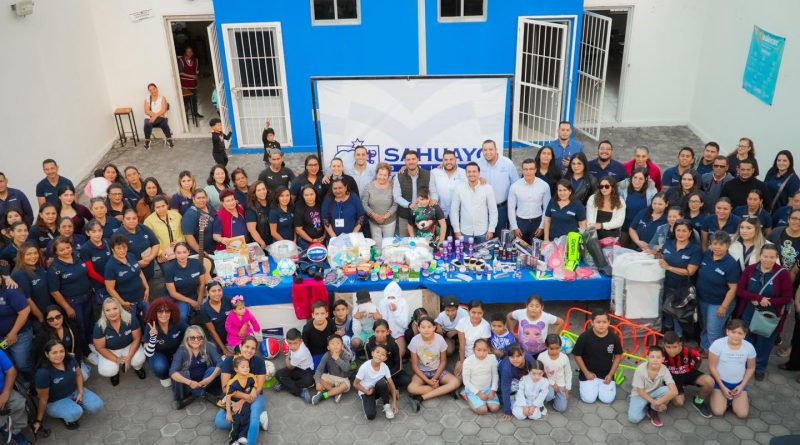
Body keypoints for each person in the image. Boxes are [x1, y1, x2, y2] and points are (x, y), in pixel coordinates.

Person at [736, 244, 793, 380]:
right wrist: (756, 298)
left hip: (768, 316)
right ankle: (745, 366)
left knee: (764, 344)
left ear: (777, 257)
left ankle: (760, 368)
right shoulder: (750, 269)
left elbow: (787, 297)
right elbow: (740, 291)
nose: (768, 260)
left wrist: (769, 302)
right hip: (749, 312)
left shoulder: (783, 274)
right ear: (760, 256)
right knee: (747, 341)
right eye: (765, 256)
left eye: (772, 257)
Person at [34, 339, 103, 430]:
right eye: (54, 352)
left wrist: (80, 392)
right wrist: (38, 420)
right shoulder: (42, 373)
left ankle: (74, 404)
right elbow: (43, 399)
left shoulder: (70, 359)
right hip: (56, 400)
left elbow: (78, 375)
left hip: (74, 391)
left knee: (97, 405)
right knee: (74, 413)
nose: (59, 355)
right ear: (47, 354)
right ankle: (66, 415)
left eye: (61, 351)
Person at [213, 336, 268, 445]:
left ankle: (251, 433)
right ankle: (260, 418)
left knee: (253, 418)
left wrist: (243, 401)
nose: (249, 350)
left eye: (253, 348)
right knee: (220, 422)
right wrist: (243, 398)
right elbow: (225, 388)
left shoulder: (259, 362)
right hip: (233, 397)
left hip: (255, 396)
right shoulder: (230, 360)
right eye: (247, 346)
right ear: (240, 346)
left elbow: (258, 388)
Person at [47, 236, 93, 359]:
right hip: (73, 302)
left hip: (88, 297)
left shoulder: (78, 256)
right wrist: (67, 308)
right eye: (61, 250)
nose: (66, 251)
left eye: (68, 247)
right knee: (79, 328)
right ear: (56, 252)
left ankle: (90, 344)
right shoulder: (54, 267)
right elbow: (54, 291)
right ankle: (86, 353)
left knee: (88, 323)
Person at [696, 231, 741, 352]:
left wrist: (724, 307)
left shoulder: (731, 264)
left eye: (721, 245)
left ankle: (716, 353)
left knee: (714, 331)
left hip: (718, 303)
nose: (717, 247)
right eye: (715, 243)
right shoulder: (707, 254)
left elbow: (733, 288)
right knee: (704, 327)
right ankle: (705, 348)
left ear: (727, 246)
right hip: (703, 299)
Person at [406, 317, 461, 411]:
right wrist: (428, 381)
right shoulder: (415, 340)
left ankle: (421, 398)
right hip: (421, 372)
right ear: (418, 328)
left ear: (434, 328)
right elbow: (414, 366)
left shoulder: (440, 339)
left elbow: (443, 361)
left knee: (456, 382)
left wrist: (434, 378)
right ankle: (443, 389)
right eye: (423, 327)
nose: (426, 330)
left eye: (429, 327)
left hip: (437, 371)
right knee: (411, 388)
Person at [659, 219, 702, 336]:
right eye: (678, 230)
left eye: (684, 231)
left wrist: (669, 267)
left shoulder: (695, 249)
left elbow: (690, 271)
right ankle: (667, 339)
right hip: (666, 286)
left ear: (690, 232)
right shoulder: (668, 243)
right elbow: (661, 258)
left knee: (679, 318)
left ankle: (679, 339)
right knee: (667, 315)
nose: (680, 233)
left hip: (682, 290)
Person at [92, 298, 146, 386]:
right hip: (110, 350)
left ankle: (138, 368)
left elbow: (137, 338)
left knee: (139, 359)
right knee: (107, 370)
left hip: (129, 346)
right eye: (108, 310)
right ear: (104, 312)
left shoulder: (130, 318)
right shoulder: (99, 326)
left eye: (115, 308)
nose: (112, 312)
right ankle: (114, 373)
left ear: (120, 308)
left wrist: (129, 357)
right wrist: (117, 359)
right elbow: (100, 348)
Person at [708, 319, 756, 418]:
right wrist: (722, 387)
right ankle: (718, 395)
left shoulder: (749, 347)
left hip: (738, 384)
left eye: (740, 333)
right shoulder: (717, 344)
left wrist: (742, 385)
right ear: (727, 331)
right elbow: (712, 366)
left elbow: (751, 368)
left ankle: (732, 400)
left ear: (744, 335)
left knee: (742, 414)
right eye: (733, 332)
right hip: (720, 383)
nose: (736, 336)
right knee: (718, 412)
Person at [573, 310, 623, 404]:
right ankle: (588, 384)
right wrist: (586, 372)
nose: (601, 325)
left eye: (604, 322)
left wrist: (610, 374)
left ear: (609, 322)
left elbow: (617, 356)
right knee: (589, 399)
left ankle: (600, 386)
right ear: (592, 323)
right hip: (588, 374)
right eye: (598, 322)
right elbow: (577, 355)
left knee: (607, 399)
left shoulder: (614, 337)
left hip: (606, 375)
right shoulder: (584, 337)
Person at [662, 331, 715, 417]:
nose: (671, 350)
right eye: (668, 347)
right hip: (672, 378)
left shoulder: (690, 351)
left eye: (674, 347)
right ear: (664, 345)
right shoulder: (660, 353)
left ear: (680, 344)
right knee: (678, 403)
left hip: (688, 372)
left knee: (709, 381)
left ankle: (698, 401)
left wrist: (692, 370)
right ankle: (670, 392)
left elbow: (698, 360)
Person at [169, 325, 222, 409]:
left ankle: (194, 396)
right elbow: (172, 372)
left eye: (199, 337)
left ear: (203, 338)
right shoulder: (181, 350)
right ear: (187, 339)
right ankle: (204, 394)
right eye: (192, 338)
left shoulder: (208, 346)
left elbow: (220, 363)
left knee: (212, 370)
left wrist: (210, 378)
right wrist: (190, 383)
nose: (196, 340)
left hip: (205, 381)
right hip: (188, 383)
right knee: (180, 374)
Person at [104, 233, 149, 326]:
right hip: (128, 303)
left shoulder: (131, 256)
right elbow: (110, 289)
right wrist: (123, 303)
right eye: (118, 248)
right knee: (133, 325)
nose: (122, 250)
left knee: (148, 320)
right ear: (112, 249)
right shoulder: (110, 266)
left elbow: (139, 272)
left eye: (124, 247)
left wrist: (147, 287)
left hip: (142, 298)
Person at [33, 305, 89, 379]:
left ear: (63, 315)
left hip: (71, 359)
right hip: (53, 364)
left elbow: (77, 348)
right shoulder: (42, 335)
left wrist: (76, 364)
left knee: (83, 376)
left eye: (58, 317)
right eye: (51, 319)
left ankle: (82, 365)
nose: (55, 321)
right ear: (46, 321)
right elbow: (41, 357)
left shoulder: (71, 326)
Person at [476, 140, 518, 234]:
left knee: (500, 237)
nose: (488, 152)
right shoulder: (478, 163)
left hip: (501, 208)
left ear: (496, 150)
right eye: (485, 150)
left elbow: (515, 184)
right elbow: (469, 178)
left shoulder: (507, 163)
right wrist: (477, 179)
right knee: (484, 236)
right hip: (483, 208)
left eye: (491, 149)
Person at [627, 347, 678, 426]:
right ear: (647, 357)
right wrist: (654, 402)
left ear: (663, 359)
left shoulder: (664, 369)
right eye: (652, 357)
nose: (655, 360)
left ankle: (653, 409)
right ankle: (648, 407)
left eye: (658, 357)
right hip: (640, 394)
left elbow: (675, 391)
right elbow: (641, 392)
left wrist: (657, 403)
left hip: (655, 392)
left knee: (669, 389)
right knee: (633, 418)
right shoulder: (639, 370)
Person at [143, 298, 186, 387]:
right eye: (160, 311)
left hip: (176, 351)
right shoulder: (150, 326)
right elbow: (148, 353)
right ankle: (164, 376)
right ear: (154, 312)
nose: (164, 314)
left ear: (171, 312)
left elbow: (191, 333)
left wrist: (182, 350)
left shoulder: (176, 321)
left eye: (167, 311)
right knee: (160, 367)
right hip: (158, 353)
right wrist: (153, 337)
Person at [451, 162, 497, 244]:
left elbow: (493, 210)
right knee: (465, 252)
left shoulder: (487, 188)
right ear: (466, 173)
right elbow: (454, 210)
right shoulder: (459, 188)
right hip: (465, 232)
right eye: (469, 172)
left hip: (483, 231)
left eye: (474, 171)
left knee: (483, 252)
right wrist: (456, 230)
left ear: (479, 173)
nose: (471, 174)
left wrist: (491, 229)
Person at [0, 271, 33, 383]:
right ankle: (20, 385)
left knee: (22, 364)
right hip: (2, 338)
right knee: (9, 364)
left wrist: (13, 333)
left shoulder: (11, 290)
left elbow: (25, 311)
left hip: (19, 335)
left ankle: (32, 384)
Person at [508, 158, 550, 244]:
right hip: (521, 223)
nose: (528, 172)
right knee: (520, 249)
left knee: (537, 249)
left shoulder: (544, 186)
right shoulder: (515, 186)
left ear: (535, 170)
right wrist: (514, 227)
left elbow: (547, 208)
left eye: (531, 169)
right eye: (526, 169)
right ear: (522, 170)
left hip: (537, 222)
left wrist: (542, 226)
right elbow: (511, 208)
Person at [163, 243, 205, 324]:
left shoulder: (197, 264)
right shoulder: (169, 268)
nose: (182, 255)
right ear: (175, 253)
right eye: (178, 253)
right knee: (182, 317)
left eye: (184, 252)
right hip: (176, 297)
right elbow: (172, 293)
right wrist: (192, 302)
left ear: (188, 252)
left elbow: (202, 284)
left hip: (192, 294)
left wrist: (199, 300)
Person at [354, 344, 399, 420]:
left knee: (382, 383)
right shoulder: (364, 367)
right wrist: (367, 392)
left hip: (377, 388)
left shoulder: (385, 367)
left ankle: (387, 405)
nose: (379, 355)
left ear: (385, 358)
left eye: (383, 354)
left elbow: (391, 384)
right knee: (370, 416)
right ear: (372, 353)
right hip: (366, 391)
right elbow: (355, 384)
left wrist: (394, 403)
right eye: (377, 352)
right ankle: (371, 400)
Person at [393, 150, 432, 237]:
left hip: (424, 216)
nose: (411, 162)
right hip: (405, 216)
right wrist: (409, 205)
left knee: (423, 242)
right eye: (408, 159)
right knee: (404, 242)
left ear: (418, 159)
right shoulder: (398, 176)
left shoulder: (428, 174)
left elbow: (433, 192)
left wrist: (434, 199)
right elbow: (396, 197)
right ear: (405, 161)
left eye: (413, 159)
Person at [366, 319, 412, 390]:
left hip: (391, 371)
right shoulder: (369, 343)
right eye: (377, 331)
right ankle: (388, 386)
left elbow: (398, 366)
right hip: (376, 372)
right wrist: (377, 375)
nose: (380, 334)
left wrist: (385, 377)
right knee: (357, 376)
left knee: (406, 380)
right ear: (373, 332)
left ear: (387, 332)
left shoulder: (393, 343)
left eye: (383, 331)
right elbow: (369, 362)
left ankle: (385, 385)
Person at [430, 150, 467, 237]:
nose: (448, 162)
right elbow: (432, 189)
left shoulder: (464, 173)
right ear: (442, 161)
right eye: (446, 160)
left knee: (458, 241)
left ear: (456, 160)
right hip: (440, 214)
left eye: (451, 159)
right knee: (441, 241)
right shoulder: (435, 172)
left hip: (460, 215)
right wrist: (434, 198)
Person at [0, 349, 34, 445]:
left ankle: (13, 431)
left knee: (18, 403)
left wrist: (5, 394)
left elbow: (11, 371)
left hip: (3, 390)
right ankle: (4, 427)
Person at [12, 243, 51, 323]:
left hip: (50, 309)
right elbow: (27, 299)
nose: (33, 256)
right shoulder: (19, 274)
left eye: (35, 253)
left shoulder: (38, 266)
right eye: (28, 254)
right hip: (39, 316)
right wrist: (40, 317)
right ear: (21, 256)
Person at [273, 328, 315, 403]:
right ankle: (290, 385)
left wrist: (287, 358)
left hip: (306, 371)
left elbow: (290, 367)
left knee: (281, 376)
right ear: (287, 341)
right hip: (298, 368)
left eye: (295, 343)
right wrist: (290, 354)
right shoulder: (298, 345)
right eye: (290, 343)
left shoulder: (299, 354)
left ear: (301, 341)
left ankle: (298, 391)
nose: (292, 346)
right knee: (277, 374)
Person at [310, 334, 352, 405]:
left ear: (342, 346)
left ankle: (324, 395)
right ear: (328, 347)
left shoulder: (344, 354)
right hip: (331, 377)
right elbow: (319, 370)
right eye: (332, 343)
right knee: (317, 376)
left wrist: (337, 359)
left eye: (338, 343)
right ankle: (336, 392)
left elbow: (346, 369)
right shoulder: (327, 355)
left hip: (342, 379)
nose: (335, 345)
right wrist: (317, 383)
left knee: (346, 385)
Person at [118, 209, 159, 280]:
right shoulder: (118, 235)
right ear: (123, 220)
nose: (132, 221)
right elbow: (117, 257)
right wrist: (136, 264)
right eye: (128, 219)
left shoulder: (144, 228)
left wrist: (150, 258)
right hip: (132, 275)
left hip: (149, 269)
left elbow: (155, 244)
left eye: (134, 218)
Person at [461, 339, 500, 415]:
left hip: (488, 388)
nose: (482, 353)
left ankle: (484, 402)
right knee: (483, 411)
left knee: (495, 408)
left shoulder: (492, 358)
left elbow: (495, 375)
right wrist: (479, 393)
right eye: (478, 350)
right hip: (474, 390)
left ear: (488, 350)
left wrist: (493, 390)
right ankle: (466, 396)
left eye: (485, 350)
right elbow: (466, 381)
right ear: (473, 350)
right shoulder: (468, 362)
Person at [362, 163, 397, 246]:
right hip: (373, 222)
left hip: (389, 222)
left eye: (385, 175)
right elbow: (364, 203)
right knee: (377, 246)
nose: (382, 177)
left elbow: (395, 204)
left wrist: (385, 216)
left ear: (388, 176)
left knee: (388, 245)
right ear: (376, 174)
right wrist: (374, 216)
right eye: (380, 174)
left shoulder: (393, 186)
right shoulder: (369, 186)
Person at [224, 356, 256, 445]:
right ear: (236, 369)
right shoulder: (232, 383)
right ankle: (233, 440)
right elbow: (228, 397)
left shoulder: (252, 377)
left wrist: (252, 392)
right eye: (243, 367)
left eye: (247, 366)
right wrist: (228, 413)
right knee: (237, 419)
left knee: (246, 414)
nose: (246, 369)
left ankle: (243, 436)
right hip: (234, 403)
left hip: (245, 401)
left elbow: (254, 387)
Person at [144, 196, 184, 265]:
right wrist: (159, 252)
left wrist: (180, 242)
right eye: (158, 207)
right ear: (154, 208)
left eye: (163, 206)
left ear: (167, 205)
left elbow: (184, 232)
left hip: (180, 250)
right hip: (163, 255)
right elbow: (149, 240)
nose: (161, 209)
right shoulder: (148, 221)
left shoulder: (176, 215)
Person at [536, 334, 571, 413]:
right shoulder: (541, 356)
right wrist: (552, 383)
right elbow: (539, 373)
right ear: (546, 347)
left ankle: (555, 397)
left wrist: (568, 387)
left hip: (561, 384)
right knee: (549, 396)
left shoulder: (564, 357)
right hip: (547, 382)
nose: (554, 351)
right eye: (551, 348)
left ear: (561, 346)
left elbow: (568, 373)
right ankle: (546, 398)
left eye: (557, 348)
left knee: (561, 408)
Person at [455, 300, 491, 377]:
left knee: (477, 377)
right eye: (473, 312)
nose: (476, 316)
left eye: (479, 313)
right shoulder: (462, 322)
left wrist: (474, 363)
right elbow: (462, 345)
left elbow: (482, 348)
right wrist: (462, 362)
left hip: (479, 355)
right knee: (458, 377)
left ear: (483, 313)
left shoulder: (486, 325)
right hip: (465, 355)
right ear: (468, 311)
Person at [497, 345, 534, 420]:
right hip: (508, 381)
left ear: (523, 354)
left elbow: (535, 375)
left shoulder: (529, 360)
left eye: (518, 356)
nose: (515, 360)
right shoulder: (506, 368)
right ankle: (505, 397)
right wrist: (507, 410)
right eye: (512, 357)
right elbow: (505, 388)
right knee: (506, 390)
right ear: (508, 357)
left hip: (522, 379)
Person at [377, 281, 409, 361]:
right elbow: (382, 320)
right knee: (381, 353)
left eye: (393, 297)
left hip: (399, 334)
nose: (391, 300)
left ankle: (398, 365)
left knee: (399, 353)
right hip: (385, 333)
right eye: (389, 297)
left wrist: (395, 312)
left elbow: (405, 324)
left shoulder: (403, 303)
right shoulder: (382, 303)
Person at [199, 282, 233, 356]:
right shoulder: (204, 309)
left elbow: (242, 313)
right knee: (214, 353)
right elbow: (212, 331)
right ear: (208, 292)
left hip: (232, 335)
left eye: (219, 290)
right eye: (213, 291)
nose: (217, 293)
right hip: (217, 337)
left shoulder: (229, 300)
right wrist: (224, 349)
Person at [767, 208, 800, 279]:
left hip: (788, 278)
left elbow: (794, 271)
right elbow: (764, 251)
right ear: (788, 219)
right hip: (768, 273)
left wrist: (786, 284)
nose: (797, 222)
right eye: (794, 218)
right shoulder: (776, 232)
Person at [182, 189, 217, 255]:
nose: (201, 200)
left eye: (203, 197)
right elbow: (188, 236)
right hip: (200, 253)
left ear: (206, 198)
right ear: (193, 199)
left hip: (215, 249)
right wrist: (200, 251)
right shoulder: (190, 215)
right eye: (198, 198)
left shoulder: (209, 206)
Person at [301, 301, 335, 367]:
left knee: (336, 366)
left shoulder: (331, 323)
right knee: (319, 368)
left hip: (330, 350)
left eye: (322, 313)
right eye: (317, 314)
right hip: (315, 353)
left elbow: (334, 338)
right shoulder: (307, 328)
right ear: (313, 315)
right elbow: (305, 345)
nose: (320, 316)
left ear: (327, 314)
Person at [142, 83, 174, 150]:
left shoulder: (162, 98)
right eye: (150, 90)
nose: (152, 91)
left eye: (153, 89)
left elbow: (163, 110)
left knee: (163, 122)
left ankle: (169, 138)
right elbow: (147, 111)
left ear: (156, 89)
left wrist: (155, 116)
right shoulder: (147, 100)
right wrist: (155, 116)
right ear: (149, 91)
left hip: (160, 117)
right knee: (147, 124)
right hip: (150, 117)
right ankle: (147, 140)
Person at [293, 185, 325, 249]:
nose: (309, 197)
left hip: (322, 241)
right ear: (303, 196)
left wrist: (324, 236)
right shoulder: (299, 209)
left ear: (315, 194)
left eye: (311, 194)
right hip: (306, 243)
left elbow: (326, 221)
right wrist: (312, 240)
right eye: (306, 195)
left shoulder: (321, 205)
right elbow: (298, 229)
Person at [245, 180, 271, 249]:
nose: (262, 192)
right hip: (262, 244)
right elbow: (252, 230)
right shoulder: (251, 208)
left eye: (263, 189)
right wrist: (262, 243)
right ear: (254, 193)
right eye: (258, 190)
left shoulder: (271, 202)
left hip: (274, 241)